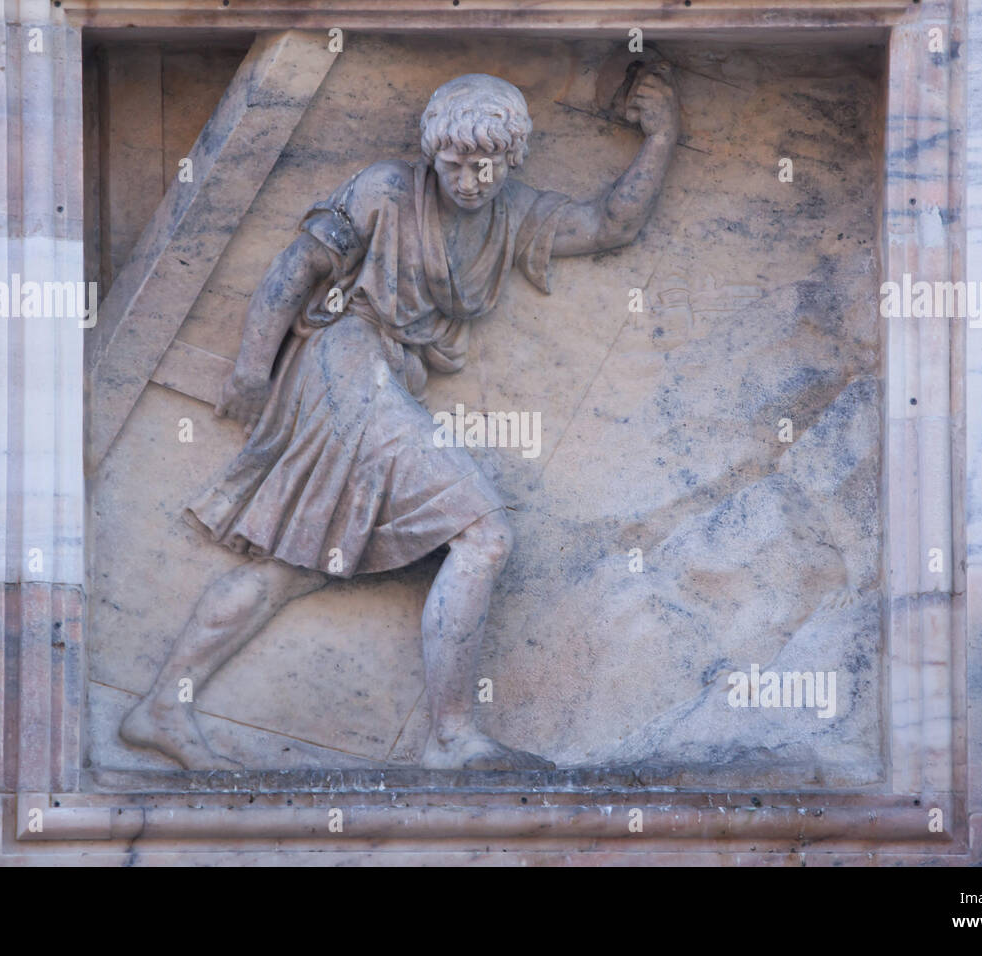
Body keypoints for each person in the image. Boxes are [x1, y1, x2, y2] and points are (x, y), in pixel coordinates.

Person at [121, 67, 680, 771]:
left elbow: (610, 224)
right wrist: (250, 371)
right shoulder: (385, 188)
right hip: (344, 361)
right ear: (430, 154)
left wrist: (664, 136)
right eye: (454, 164)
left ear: (511, 160)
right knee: (484, 532)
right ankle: (449, 738)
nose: (470, 180)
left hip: (387, 381)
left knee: (293, 564)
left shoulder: (514, 216)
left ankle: (162, 705)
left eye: (487, 165)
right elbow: (296, 271)